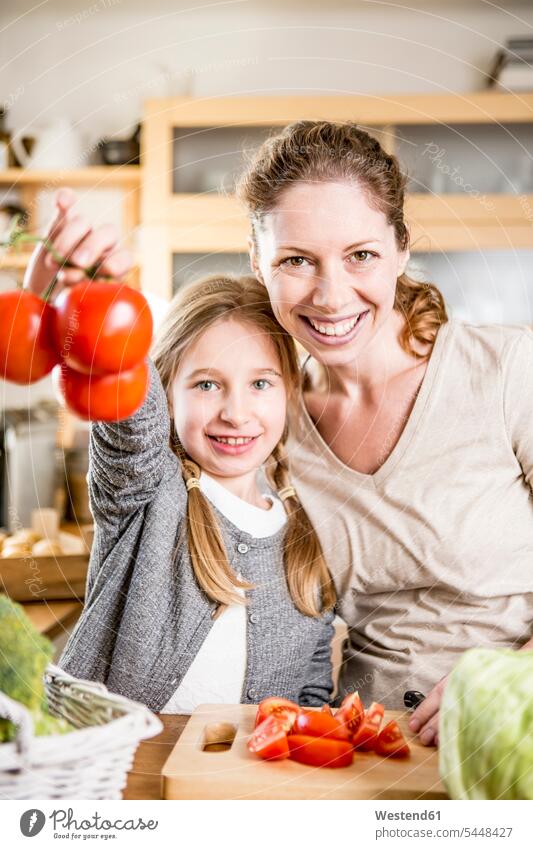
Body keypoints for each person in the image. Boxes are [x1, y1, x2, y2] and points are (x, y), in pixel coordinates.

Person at [235, 120, 533, 746]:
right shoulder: (268, 421)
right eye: (296, 260)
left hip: (516, 741)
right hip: (364, 750)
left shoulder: (507, 371)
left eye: (360, 255)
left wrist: (509, 678)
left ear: (400, 248)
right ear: (258, 261)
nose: (330, 294)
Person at [26, 263, 336, 712]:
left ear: (288, 390)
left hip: (240, 784)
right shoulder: (148, 487)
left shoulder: (306, 538)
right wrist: (90, 299)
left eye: (260, 383)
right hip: (113, 776)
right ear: (170, 394)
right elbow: (129, 407)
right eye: (207, 384)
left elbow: (311, 700)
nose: (236, 412)